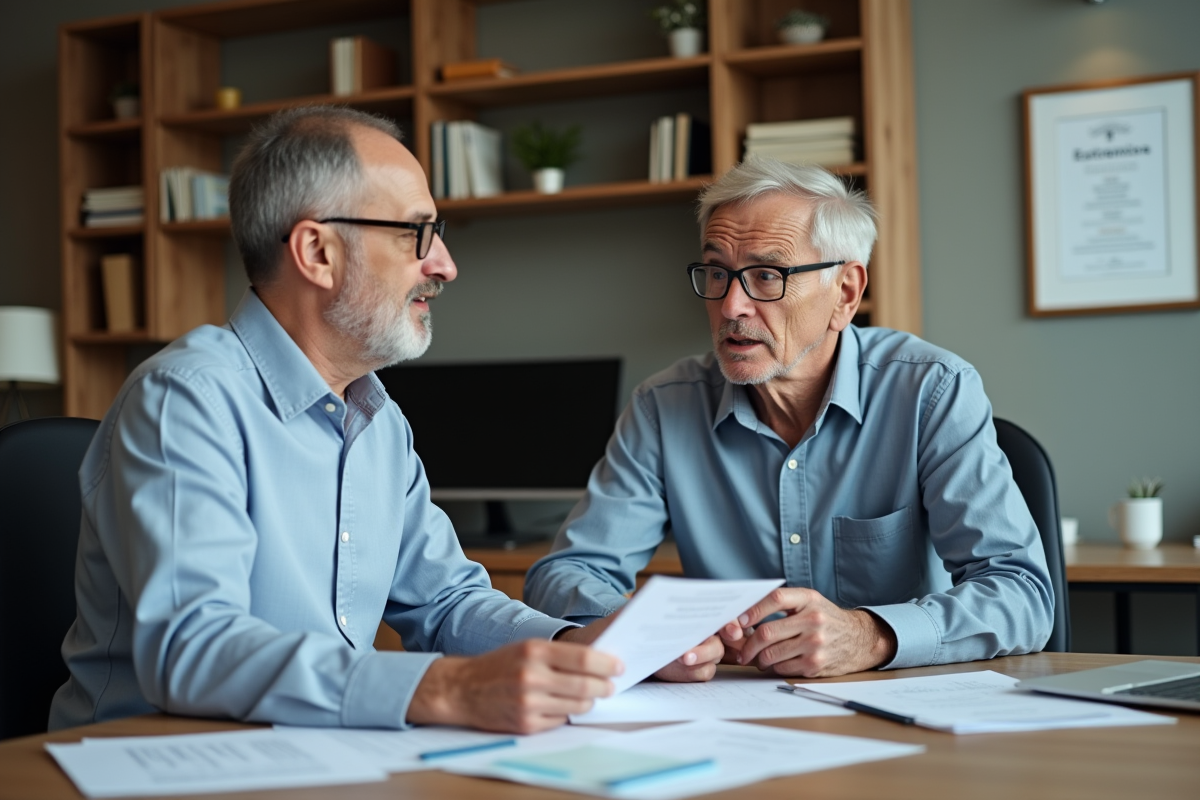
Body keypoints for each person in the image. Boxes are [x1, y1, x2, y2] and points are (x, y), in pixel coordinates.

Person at [49, 106, 620, 734]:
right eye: (415, 234)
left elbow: (446, 601)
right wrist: (445, 687)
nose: (445, 265)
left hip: (318, 757)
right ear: (317, 251)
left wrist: (591, 648)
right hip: (154, 766)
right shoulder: (184, 399)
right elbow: (194, 649)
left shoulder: (379, 419)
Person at [525, 157, 1055, 679]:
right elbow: (566, 573)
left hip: (900, 707)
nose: (732, 305)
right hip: (734, 712)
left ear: (845, 293)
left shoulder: (930, 390)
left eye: (766, 275)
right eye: (717, 273)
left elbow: (1021, 594)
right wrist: (645, 633)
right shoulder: (664, 405)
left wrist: (872, 635)